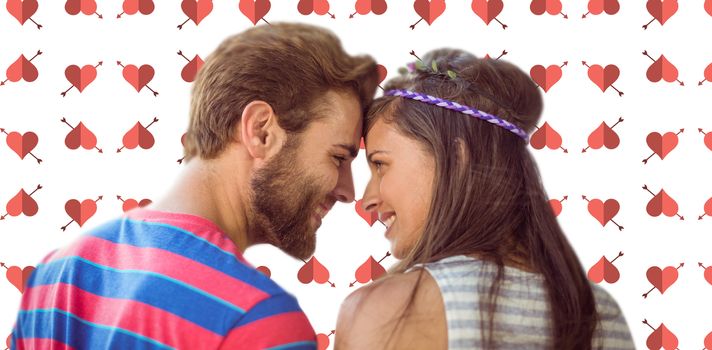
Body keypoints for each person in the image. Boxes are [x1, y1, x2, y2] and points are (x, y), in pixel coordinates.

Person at [10, 22, 378, 350]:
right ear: (262, 131)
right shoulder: (257, 321)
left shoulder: (55, 274)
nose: (349, 191)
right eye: (338, 157)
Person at [335, 48, 635, 349]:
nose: (366, 200)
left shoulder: (385, 311)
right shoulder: (600, 312)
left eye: (379, 165)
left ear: (454, 158)